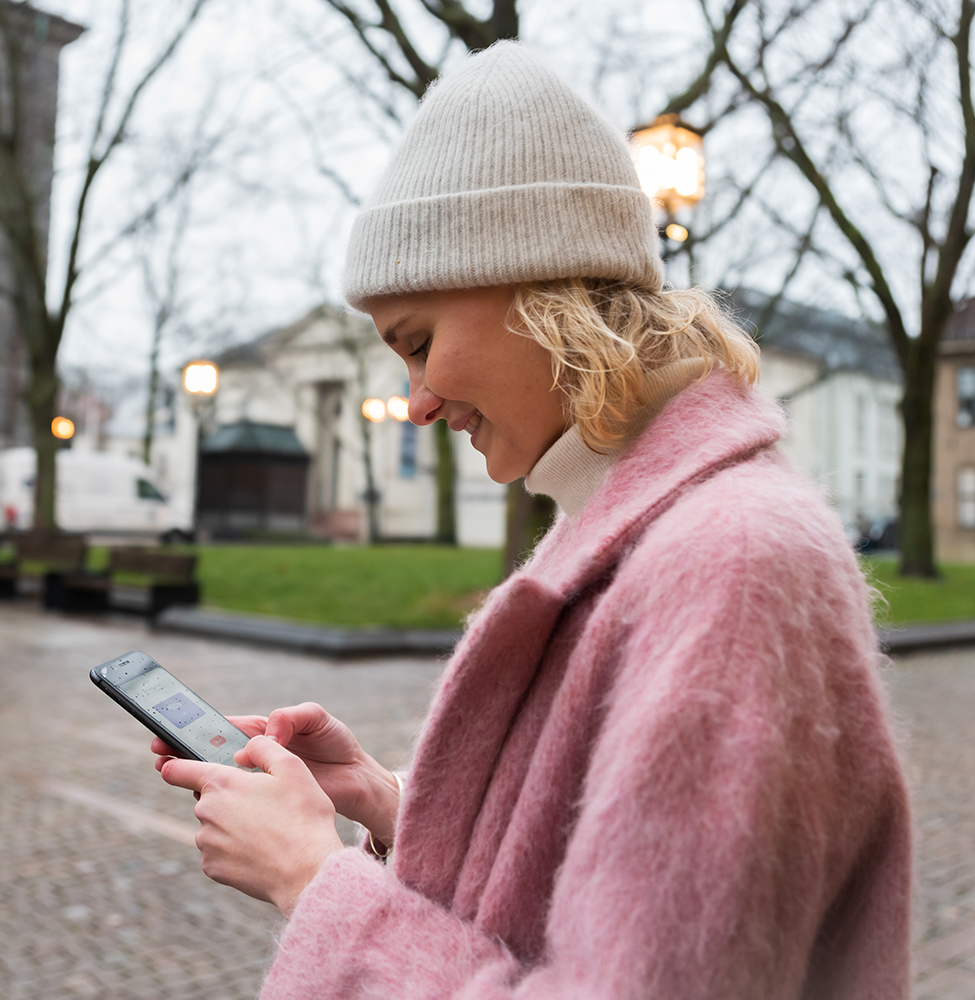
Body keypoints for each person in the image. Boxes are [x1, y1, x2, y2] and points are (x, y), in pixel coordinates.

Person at [155, 42, 913, 1000]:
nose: (419, 403)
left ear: (542, 285)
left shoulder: (730, 563)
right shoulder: (640, 533)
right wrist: (396, 807)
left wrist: (316, 884)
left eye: (421, 343)